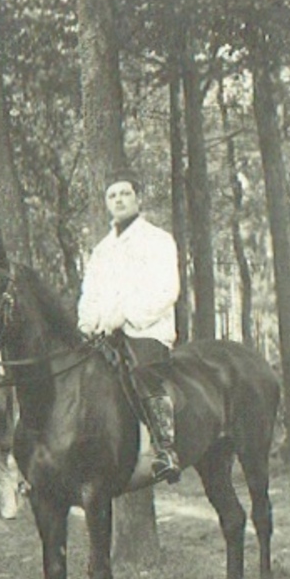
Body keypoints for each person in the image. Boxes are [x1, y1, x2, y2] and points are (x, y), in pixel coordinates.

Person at [78, 169, 182, 483]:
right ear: (106, 204)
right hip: (106, 334)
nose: (119, 200)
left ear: (138, 199)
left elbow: (167, 290)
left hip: (145, 329)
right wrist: (88, 321)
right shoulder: (101, 251)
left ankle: (165, 449)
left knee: (141, 372)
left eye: (125, 193)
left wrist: (126, 316)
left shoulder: (158, 240)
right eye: (112, 195)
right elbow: (89, 294)